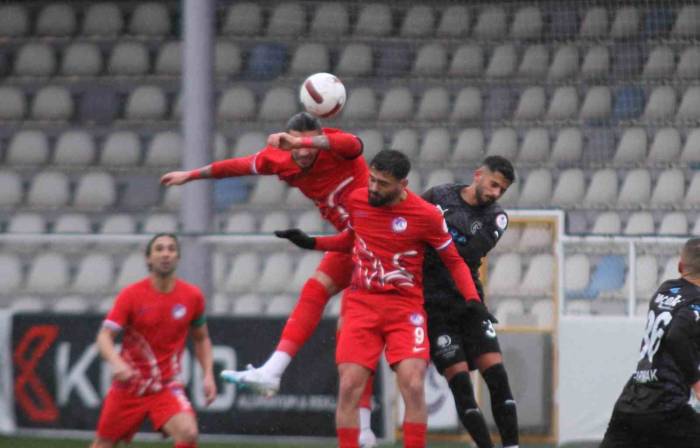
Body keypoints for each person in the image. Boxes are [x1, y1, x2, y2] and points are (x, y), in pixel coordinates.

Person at [159, 112, 378, 446]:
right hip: (351, 242)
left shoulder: (334, 146)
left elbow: (356, 144)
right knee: (317, 292)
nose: (303, 154)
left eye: (308, 144)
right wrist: (190, 175)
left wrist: (302, 141)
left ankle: (363, 429)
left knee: (354, 336)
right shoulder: (281, 159)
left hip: (378, 243)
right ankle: (275, 372)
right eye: (295, 145)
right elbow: (234, 166)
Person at [276, 149, 493, 448]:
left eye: (382, 183)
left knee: (414, 383)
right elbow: (351, 239)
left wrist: (472, 299)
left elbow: (454, 261)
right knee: (350, 386)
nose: (374, 188)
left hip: (405, 309)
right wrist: (312, 242)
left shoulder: (427, 215)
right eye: (372, 180)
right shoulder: (357, 200)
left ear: (403, 185)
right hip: (362, 304)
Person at [421, 156, 518, 448]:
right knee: (461, 387)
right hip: (435, 306)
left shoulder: (496, 217)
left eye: (502, 190)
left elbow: (466, 255)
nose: (495, 194)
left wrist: (433, 235)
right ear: (478, 175)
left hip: (470, 303)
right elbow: (410, 220)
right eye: (493, 185)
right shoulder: (439, 195)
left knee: (497, 376)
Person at [91, 233, 216, 448]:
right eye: (159, 249)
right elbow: (104, 337)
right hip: (129, 386)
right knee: (103, 444)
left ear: (177, 257)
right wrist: (116, 361)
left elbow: (201, 339)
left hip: (166, 385)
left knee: (188, 432)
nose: (165, 254)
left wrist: (208, 374)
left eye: (171, 249)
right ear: (148, 258)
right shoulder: (130, 295)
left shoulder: (192, 296)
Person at [600, 237, 700, 448]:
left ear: (680, 266)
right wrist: (695, 381)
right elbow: (677, 335)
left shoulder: (664, 290)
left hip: (632, 400)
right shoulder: (696, 301)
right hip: (666, 406)